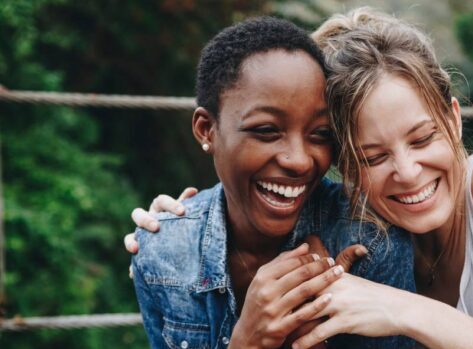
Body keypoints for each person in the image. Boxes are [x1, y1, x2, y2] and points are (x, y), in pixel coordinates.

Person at [131, 8, 473, 349]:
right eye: (373, 157)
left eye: (422, 139)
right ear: (344, 166)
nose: (408, 172)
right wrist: (181, 229)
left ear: (454, 120)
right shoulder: (368, 237)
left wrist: (402, 309)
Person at [129, 16, 415, 349]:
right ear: (207, 129)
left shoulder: (370, 239)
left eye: (320, 134)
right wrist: (247, 341)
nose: (299, 160)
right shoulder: (163, 253)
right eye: (266, 131)